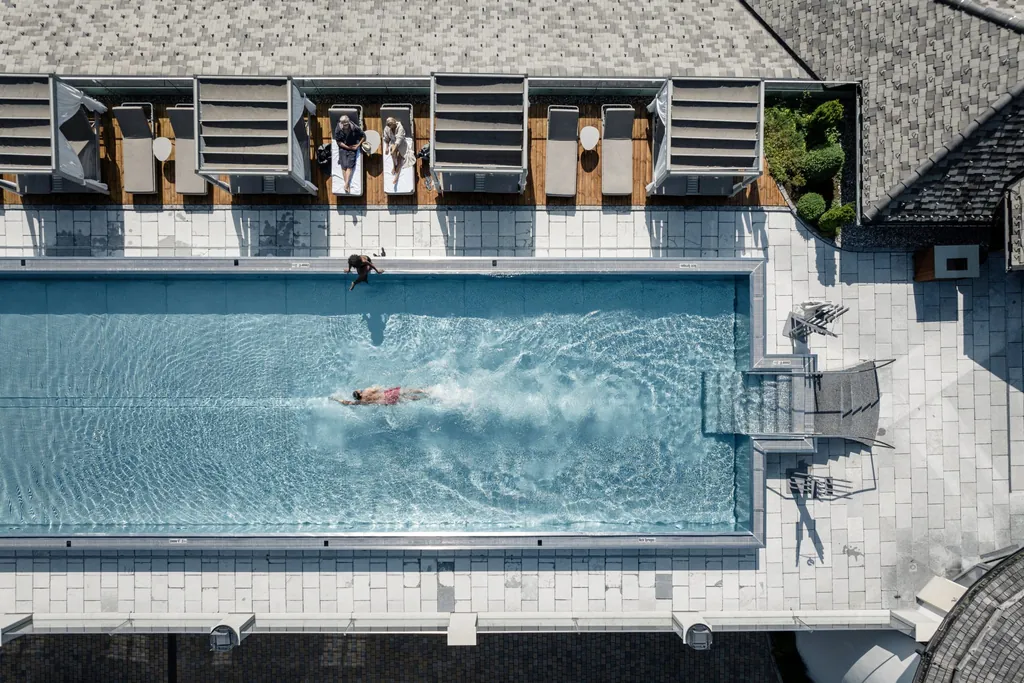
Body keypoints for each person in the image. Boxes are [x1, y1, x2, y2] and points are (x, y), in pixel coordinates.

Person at [333, 114, 365, 194]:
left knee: (349, 166)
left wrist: (358, 145)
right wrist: (348, 147)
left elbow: (363, 136)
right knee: (344, 167)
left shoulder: (354, 128)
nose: (345, 125)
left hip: (353, 147)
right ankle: (347, 185)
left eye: (346, 123)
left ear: (349, 121)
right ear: (341, 123)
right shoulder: (338, 129)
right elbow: (338, 142)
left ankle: (346, 185)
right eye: (344, 124)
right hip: (343, 147)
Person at [382, 116, 416, 189]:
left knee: (400, 157)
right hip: (393, 143)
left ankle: (396, 176)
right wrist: (387, 147)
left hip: (401, 143)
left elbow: (398, 141)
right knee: (393, 154)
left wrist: (394, 150)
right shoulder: (387, 128)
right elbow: (386, 139)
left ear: (394, 123)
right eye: (390, 127)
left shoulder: (400, 127)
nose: (391, 128)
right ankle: (394, 165)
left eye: (392, 126)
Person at [331, 386, 430, 406]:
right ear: (360, 393)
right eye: (359, 390)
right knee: (407, 391)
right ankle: (425, 391)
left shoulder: (361, 402)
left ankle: (425, 397)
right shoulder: (367, 391)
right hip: (388, 393)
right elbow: (379, 387)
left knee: (408, 398)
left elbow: (347, 402)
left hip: (387, 401)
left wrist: (336, 399)